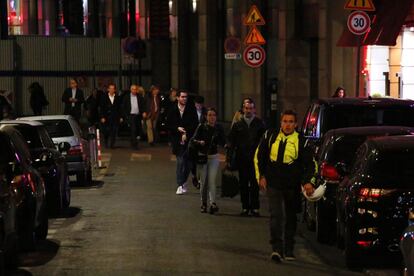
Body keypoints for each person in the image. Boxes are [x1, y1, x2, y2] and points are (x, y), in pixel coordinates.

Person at [254, 109, 316, 263]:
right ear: (281, 122)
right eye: (285, 121)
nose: (287, 125)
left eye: (290, 122)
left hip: (292, 184)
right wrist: (260, 176)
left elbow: (310, 164)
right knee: (276, 215)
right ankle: (277, 249)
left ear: (295, 124)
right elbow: (259, 156)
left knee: (291, 216)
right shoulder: (271, 136)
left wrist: (308, 181)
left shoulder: (302, 141)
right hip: (274, 183)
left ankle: (289, 249)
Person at [228, 100, 265, 216]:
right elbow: (232, 142)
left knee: (254, 183)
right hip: (242, 158)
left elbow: (264, 141)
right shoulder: (238, 125)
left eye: (251, 108)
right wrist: (229, 158)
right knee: (243, 184)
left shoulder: (259, 124)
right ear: (243, 109)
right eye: (246, 108)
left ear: (254, 110)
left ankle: (255, 208)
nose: (248, 111)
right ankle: (245, 207)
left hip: (255, 159)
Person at [190, 107, 226, 214]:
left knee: (212, 181)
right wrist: (199, 142)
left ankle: (213, 203)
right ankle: (203, 203)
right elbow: (193, 140)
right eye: (210, 115)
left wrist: (225, 145)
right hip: (203, 157)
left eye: (214, 115)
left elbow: (223, 140)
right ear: (206, 117)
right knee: (203, 182)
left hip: (214, 157)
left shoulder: (219, 128)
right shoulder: (201, 127)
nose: (212, 117)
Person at [166, 89, 198, 195]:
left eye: (186, 97)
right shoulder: (172, 109)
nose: (184, 99)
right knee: (180, 162)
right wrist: (177, 129)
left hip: (189, 140)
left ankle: (184, 181)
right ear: (178, 98)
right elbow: (168, 124)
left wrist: (186, 132)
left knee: (188, 163)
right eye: (182, 97)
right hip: (177, 139)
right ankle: (180, 184)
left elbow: (195, 124)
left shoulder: (191, 108)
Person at [122, 84, 147, 150]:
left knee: (137, 130)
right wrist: (125, 115)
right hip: (131, 116)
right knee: (133, 129)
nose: (134, 90)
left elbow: (143, 105)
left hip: (138, 115)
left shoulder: (139, 97)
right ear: (130, 90)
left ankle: (132, 141)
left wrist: (144, 112)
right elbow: (123, 107)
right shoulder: (126, 97)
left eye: (135, 89)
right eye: (133, 89)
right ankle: (134, 145)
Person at [99, 83, 123, 149]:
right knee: (106, 131)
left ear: (115, 90)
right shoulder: (104, 97)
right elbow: (101, 108)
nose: (111, 90)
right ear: (108, 89)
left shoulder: (118, 97)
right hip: (106, 117)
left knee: (114, 131)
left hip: (115, 117)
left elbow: (120, 108)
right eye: (110, 88)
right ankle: (106, 142)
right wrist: (102, 117)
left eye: (113, 88)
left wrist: (121, 117)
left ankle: (112, 144)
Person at [190, 95, 207, 189]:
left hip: (202, 138)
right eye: (197, 104)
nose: (198, 106)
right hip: (193, 138)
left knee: (201, 159)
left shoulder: (205, 112)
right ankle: (194, 176)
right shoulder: (191, 111)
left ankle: (201, 179)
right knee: (193, 159)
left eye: (200, 104)